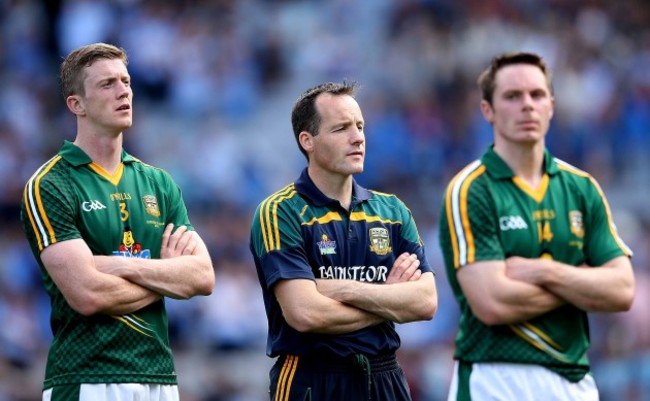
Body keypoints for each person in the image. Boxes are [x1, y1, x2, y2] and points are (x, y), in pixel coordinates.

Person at [20, 43, 215, 401]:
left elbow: (201, 277)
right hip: (88, 376)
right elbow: (88, 294)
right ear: (76, 104)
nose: (124, 91)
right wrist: (165, 275)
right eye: (107, 84)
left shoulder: (159, 182)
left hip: (160, 376)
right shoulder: (49, 184)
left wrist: (112, 266)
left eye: (126, 81)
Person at [438, 51, 635, 400]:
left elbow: (621, 290)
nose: (527, 105)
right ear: (488, 111)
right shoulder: (470, 189)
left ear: (552, 106)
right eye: (512, 96)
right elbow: (492, 303)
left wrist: (546, 271)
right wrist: (583, 283)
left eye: (537, 95)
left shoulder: (581, 187)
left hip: (574, 380)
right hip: (494, 378)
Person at [249, 81, 438, 401]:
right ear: (307, 140)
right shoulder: (280, 212)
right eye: (341, 129)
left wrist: (344, 290)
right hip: (311, 378)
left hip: (385, 376)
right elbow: (305, 314)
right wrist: (391, 301)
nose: (358, 137)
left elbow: (426, 302)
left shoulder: (392, 211)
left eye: (360, 126)